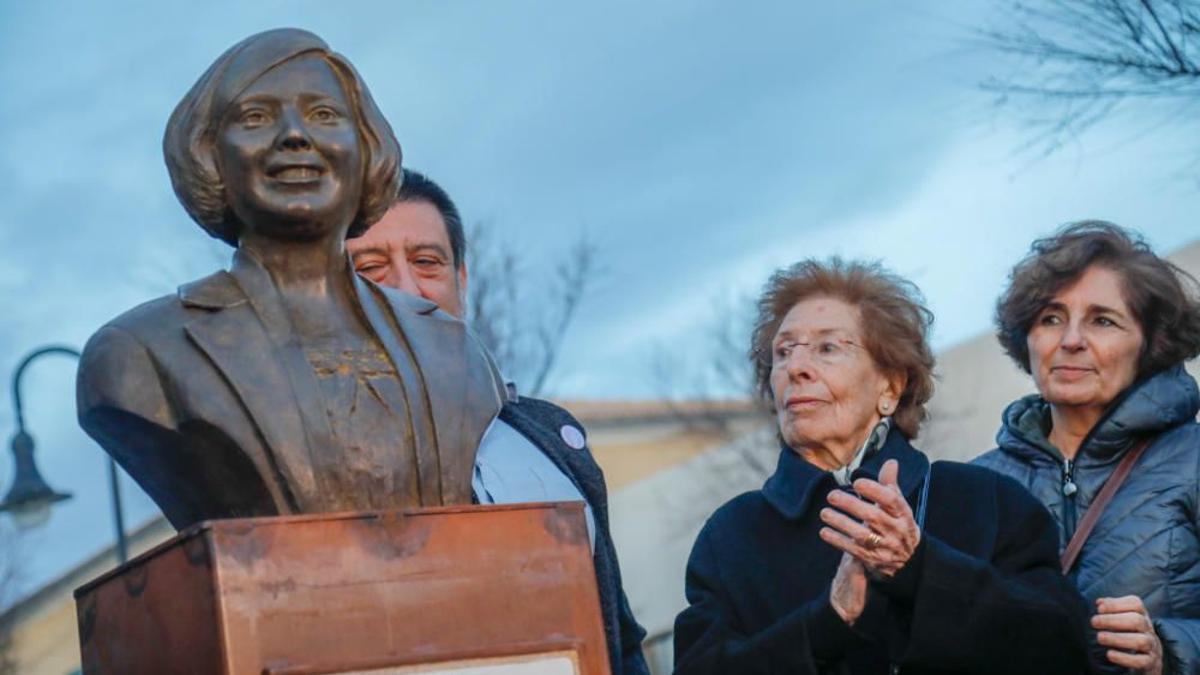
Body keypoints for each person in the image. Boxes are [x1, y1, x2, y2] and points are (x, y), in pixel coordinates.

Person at [76, 30, 505, 530]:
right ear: (210, 155)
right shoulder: (137, 355)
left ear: (366, 148)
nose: (296, 136)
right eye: (256, 117)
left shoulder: (456, 350)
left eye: (324, 115)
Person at [673, 258, 1091, 674]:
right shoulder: (730, 538)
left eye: (827, 347)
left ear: (890, 385)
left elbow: (1064, 649)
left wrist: (920, 568)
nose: (794, 369)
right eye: (782, 353)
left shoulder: (987, 499)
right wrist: (827, 622)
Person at [347, 169, 650, 675]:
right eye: (372, 268)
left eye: (427, 261)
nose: (406, 286)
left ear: (461, 281)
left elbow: (618, 634)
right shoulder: (303, 456)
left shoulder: (550, 436)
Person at [975, 221, 1200, 675]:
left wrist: (1170, 650)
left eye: (1102, 320)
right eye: (1051, 319)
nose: (1071, 340)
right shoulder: (980, 483)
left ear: (1152, 344)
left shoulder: (1193, 460)